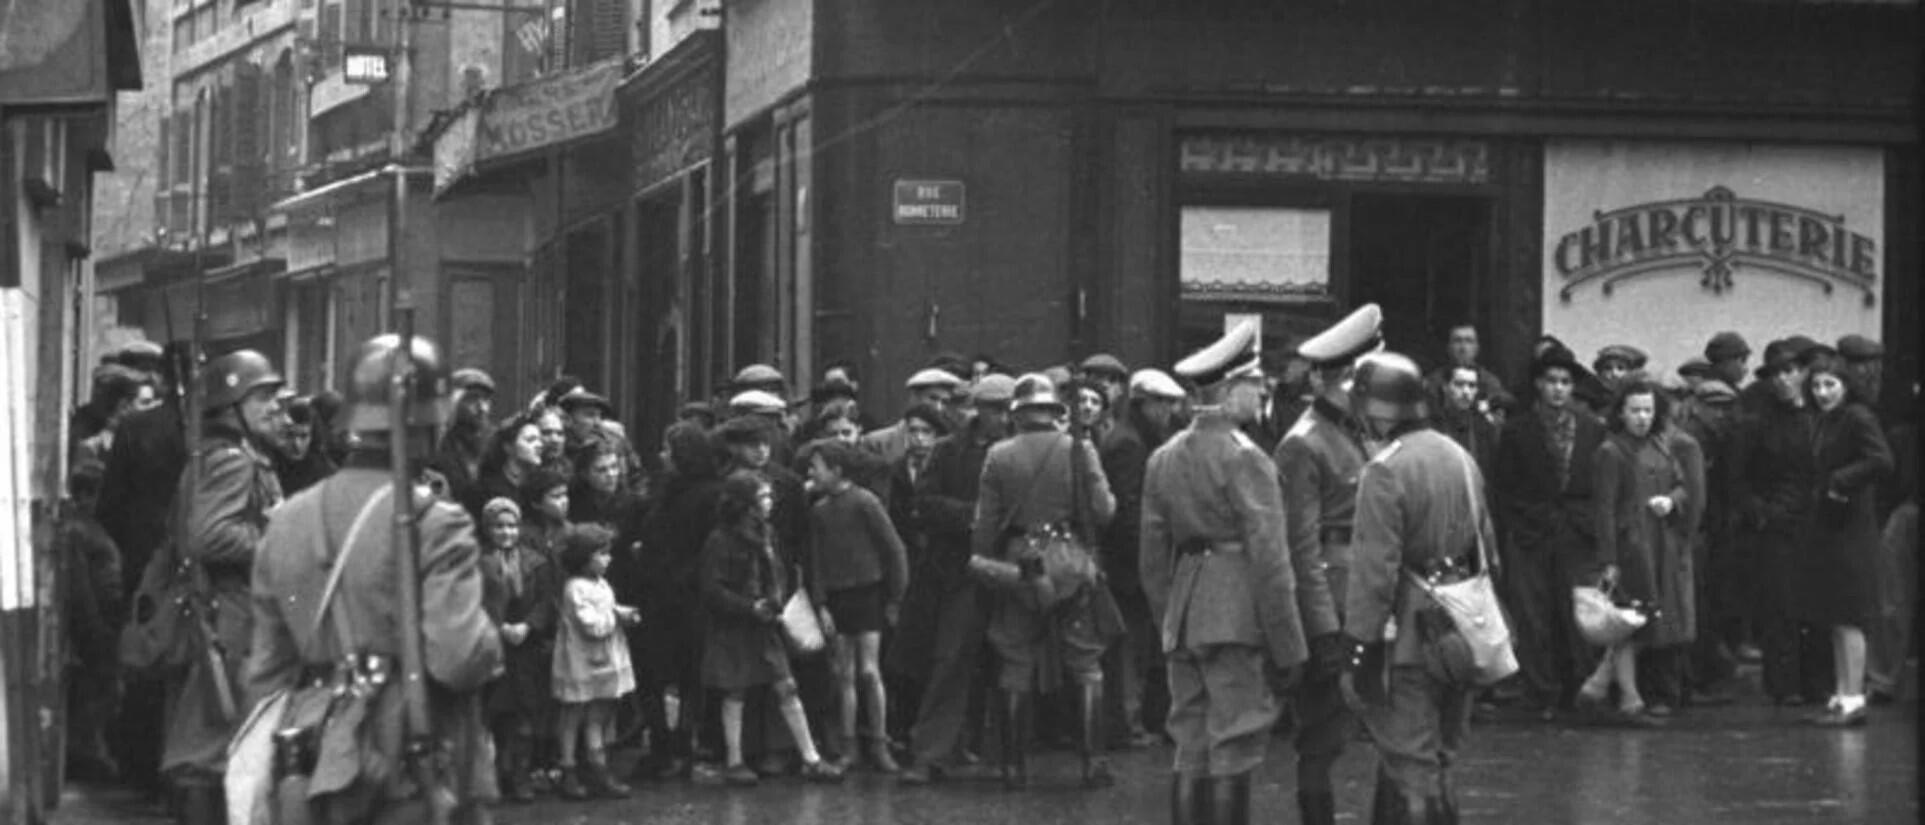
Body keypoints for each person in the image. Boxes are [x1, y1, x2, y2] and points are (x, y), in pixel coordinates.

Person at [243, 334, 503, 825]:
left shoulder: (287, 520)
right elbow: (459, 657)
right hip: (409, 755)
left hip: (309, 758)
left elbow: (264, 672)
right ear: (433, 419)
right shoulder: (436, 523)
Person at [1141, 319, 1306, 825]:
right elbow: (1271, 561)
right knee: (1234, 742)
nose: (1262, 394)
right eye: (1255, 384)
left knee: (1190, 742)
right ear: (1229, 390)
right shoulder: (1248, 459)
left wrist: (1169, 619)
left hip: (1185, 611)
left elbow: (1151, 558)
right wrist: (1290, 646)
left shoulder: (1163, 457)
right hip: (1236, 614)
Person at [1341, 350, 1495, 825]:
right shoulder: (1460, 456)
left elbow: (1373, 573)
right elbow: (1487, 546)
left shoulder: (1385, 469)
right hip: (1462, 625)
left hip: (1409, 636)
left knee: (1411, 764)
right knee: (1442, 757)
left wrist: (1359, 651)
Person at [971, 373, 1121, 790]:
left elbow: (984, 526)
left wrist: (987, 561)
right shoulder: (1080, 448)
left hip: (1020, 565)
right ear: (1056, 412)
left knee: (1015, 660)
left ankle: (1013, 768)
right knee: (1086, 663)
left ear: (1017, 414)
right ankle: (1094, 762)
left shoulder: (999, 455)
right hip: (1070, 560)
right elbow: (1104, 510)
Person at [162, 349, 287, 824]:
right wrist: (275, 536)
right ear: (231, 406)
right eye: (262, 398)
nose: (274, 407)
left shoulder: (230, 455)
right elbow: (209, 536)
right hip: (233, 613)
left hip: (230, 610)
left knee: (220, 736)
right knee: (215, 741)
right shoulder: (233, 461)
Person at [1276, 304, 1381, 825]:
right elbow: (1301, 548)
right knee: (1321, 739)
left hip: (1366, 594)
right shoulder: (1305, 444)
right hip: (1335, 606)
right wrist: (1321, 631)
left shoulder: (1352, 431)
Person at [896, 375, 1014, 785]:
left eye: (1008, 409)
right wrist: (975, 517)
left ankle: (1007, 754)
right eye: (995, 409)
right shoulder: (949, 451)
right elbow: (924, 503)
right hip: (958, 570)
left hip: (1008, 566)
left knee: (1012, 661)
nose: (1003, 417)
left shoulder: (1016, 450)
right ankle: (930, 753)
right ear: (977, 409)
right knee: (950, 659)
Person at [699, 470, 846, 785]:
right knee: (735, 691)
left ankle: (811, 758)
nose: (769, 503)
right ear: (744, 504)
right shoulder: (721, 540)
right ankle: (735, 760)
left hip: (765, 625)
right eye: (762, 497)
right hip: (736, 627)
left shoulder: (768, 534)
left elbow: (777, 572)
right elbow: (712, 588)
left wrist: (775, 600)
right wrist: (748, 606)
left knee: (786, 686)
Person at [1492, 344, 1605, 716]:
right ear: (1538, 385)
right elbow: (1503, 489)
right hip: (1532, 533)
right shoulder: (1517, 431)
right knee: (1534, 614)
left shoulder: (1591, 430)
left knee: (1576, 614)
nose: (1558, 389)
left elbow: (1600, 488)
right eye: (1551, 381)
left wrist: (1588, 525)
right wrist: (1522, 525)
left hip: (1576, 533)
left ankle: (1580, 688)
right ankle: (1541, 692)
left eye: (1565, 382)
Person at [1578, 380, 1694, 727]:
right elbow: (1604, 510)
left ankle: (1599, 686)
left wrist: (1671, 501)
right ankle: (1627, 698)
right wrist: (1609, 560)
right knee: (1630, 625)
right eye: (1635, 410)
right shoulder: (1611, 452)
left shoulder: (1661, 446)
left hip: (1658, 545)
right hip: (1630, 548)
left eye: (1648, 410)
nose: (1642, 417)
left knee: (1639, 623)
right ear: (1621, 413)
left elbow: (1682, 485)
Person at [1795, 348, 1894, 726]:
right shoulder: (1826, 420)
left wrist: (1841, 482)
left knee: (1850, 614)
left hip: (1850, 527)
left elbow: (1882, 460)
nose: (1822, 392)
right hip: (1830, 526)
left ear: (1846, 386)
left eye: (1830, 384)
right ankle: (1841, 693)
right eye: (1817, 385)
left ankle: (1853, 697)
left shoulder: (1856, 417)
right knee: (1835, 614)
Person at [1733, 340, 1834, 705]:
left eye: (1789, 372)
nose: (1783, 380)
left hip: (1817, 523)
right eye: (1775, 374)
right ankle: (1784, 684)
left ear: (1803, 373)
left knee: (1817, 605)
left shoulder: (1821, 418)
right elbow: (1739, 479)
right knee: (1779, 607)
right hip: (1776, 526)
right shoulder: (1759, 423)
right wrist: (1760, 512)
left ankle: (1818, 681)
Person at [805, 439, 910, 773]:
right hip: (837, 599)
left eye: (816, 467)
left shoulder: (865, 502)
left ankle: (879, 742)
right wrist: (821, 604)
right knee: (844, 674)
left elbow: (894, 550)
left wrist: (895, 596)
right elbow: (816, 562)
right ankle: (850, 746)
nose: (811, 474)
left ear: (836, 470)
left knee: (868, 671)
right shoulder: (819, 511)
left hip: (867, 594)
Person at [632, 422, 729, 780]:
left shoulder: (710, 494)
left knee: (687, 674)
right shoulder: (666, 490)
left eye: (668, 450)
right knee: (655, 673)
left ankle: (680, 746)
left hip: (686, 599)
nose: (662, 456)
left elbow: (707, 547)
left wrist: (679, 575)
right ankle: (662, 743)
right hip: (658, 595)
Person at [1096, 369, 1185, 751]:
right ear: (1142, 403)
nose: (1168, 410)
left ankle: (1136, 721)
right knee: (1132, 648)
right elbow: (1130, 511)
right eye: (1161, 403)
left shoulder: (1131, 439)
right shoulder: (1130, 445)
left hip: (1131, 564)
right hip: (1130, 567)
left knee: (1139, 647)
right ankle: (1129, 724)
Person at [477, 496, 556, 803]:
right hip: (493, 647)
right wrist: (498, 627)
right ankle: (497, 774)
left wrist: (528, 626)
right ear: (488, 529)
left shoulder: (535, 561)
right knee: (495, 714)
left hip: (526, 649)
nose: (506, 532)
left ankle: (521, 773)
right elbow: (472, 602)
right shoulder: (477, 562)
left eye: (511, 526)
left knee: (525, 717)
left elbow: (546, 602)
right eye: (499, 526)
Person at [551, 523, 640, 798]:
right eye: (601, 554)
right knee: (574, 713)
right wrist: (617, 618)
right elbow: (592, 625)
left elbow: (606, 609)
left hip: (601, 661)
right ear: (583, 558)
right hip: (581, 662)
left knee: (598, 714)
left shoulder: (600, 583)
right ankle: (568, 769)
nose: (607, 559)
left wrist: (620, 611)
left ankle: (598, 767)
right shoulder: (575, 588)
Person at [59, 461, 125, 781]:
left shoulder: (87, 526)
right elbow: (81, 585)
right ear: (84, 494)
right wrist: (94, 628)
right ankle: (89, 753)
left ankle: (91, 751)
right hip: (96, 618)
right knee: (99, 689)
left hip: (104, 616)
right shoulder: (79, 529)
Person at [863, 368, 965, 465]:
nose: (938, 407)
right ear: (914, 397)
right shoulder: (877, 443)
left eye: (945, 402)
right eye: (933, 398)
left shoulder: (953, 446)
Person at [432, 368, 497, 505]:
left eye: (486, 400)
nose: (482, 408)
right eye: (472, 399)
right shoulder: (441, 442)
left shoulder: (495, 440)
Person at [468, 413, 545, 524]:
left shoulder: (539, 485)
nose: (539, 445)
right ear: (508, 447)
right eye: (530, 440)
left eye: (540, 440)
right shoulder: (485, 490)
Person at [1423, 324, 1514, 417]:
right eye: (1457, 341)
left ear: (1477, 348)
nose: (1463, 348)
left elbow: (1502, 403)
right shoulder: (1434, 381)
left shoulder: (1489, 381)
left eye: (1469, 341)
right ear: (1448, 347)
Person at [1436, 365, 1499, 475]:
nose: (1466, 391)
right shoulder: (1432, 425)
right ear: (1445, 387)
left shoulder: (1485, 427)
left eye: (1472, 386)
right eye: (1459, 384)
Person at [274, 395, 339, 495]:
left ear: (313, 436)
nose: (297, 444)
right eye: (290, 435)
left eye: (303, 436)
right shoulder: (271, 467)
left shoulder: (326, 474)